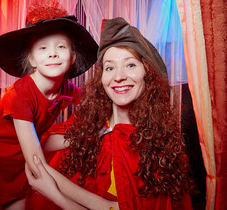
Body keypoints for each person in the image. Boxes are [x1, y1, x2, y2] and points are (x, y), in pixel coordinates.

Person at [0, 0, 118, 210]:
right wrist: (91, 203)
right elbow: (36, 161)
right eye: (43, 47)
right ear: (31, 59)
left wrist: (107, 124)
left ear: (72, 57)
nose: (52, 53)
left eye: (61, 46)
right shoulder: (21, 94)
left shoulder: (66, 89)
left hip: (17, 162)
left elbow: (93, 104)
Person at [26, 17, 196, 210]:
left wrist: (55, 194)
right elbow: (32, 154)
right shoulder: (84, 127)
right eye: (109, 67)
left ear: (147, 73)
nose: (119, 76)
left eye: (130, 65)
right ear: (102, 78)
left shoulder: (158, 145)